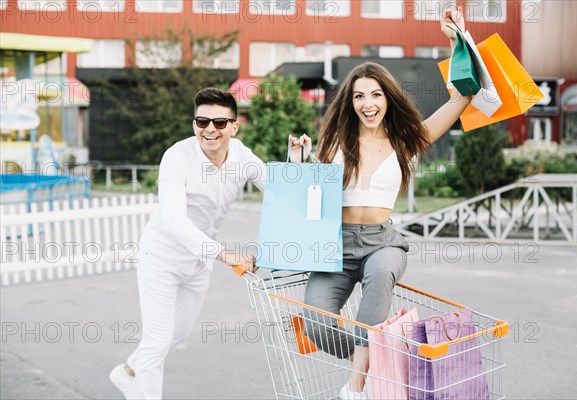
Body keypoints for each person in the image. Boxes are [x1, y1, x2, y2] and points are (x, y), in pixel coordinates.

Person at [297, 8, 471, 400]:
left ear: (388, 98)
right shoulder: (332, 142)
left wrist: (455, 37)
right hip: (335, 245)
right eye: (359, 96)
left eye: (376, 94)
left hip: (382, 243)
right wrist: (299, 163)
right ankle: (381, 351)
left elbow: (462, 97)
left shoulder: (407, 141)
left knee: (378, 284)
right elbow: (311, 197)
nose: (368, 103)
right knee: (316, 325)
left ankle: (357, 384)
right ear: (350, 101)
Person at [109, 88, 267, 400]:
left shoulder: (242, 156)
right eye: (202, 121)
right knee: (157, 341)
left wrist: (298, 161)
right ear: (194, 123)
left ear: (234, 127)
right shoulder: (176, 157)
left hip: (198, 264)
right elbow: (173, 220)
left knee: (178, 333)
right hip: (162, 259)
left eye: (220, 123)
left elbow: (279, 190)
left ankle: (127, 372)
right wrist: (225, 254)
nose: (210, 129)